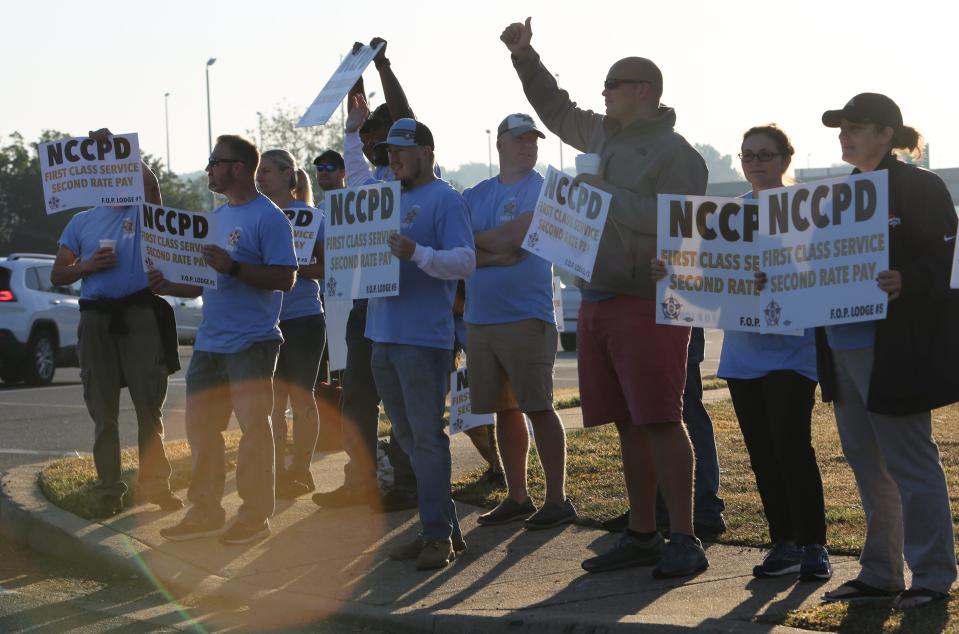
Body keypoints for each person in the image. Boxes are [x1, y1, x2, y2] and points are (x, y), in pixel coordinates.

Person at [501, 17, 709, 578]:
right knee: (625, 421)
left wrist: (606, 193)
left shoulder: (676, 152)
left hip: (648, 299)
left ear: (642, 90)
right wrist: (526, 57)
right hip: (596, 295)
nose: (603, 94)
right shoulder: (601, 134)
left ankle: (685, 536)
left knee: (661, 419)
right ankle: (642, 531)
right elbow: (556, 108)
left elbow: (681, 223)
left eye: (612, 86)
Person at [654, 125, 830, 581]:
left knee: (793, 446)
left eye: (766, 154)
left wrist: (776, 278)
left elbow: (826, 277)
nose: (756, 162)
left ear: (785, 159)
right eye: (748, 155)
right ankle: (783, 542)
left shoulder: (808, 212)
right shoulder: (727, 217)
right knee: (761, 451)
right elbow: (708, 285)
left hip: (794, 350)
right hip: (744, 354)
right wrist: (671, 271)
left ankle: (814, 545)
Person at [812, 94, 959, 609]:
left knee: (911, 462)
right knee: (866, 463)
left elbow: (947, 257)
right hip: (840, 344)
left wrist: (908, 280)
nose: (844, 136)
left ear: (886, 133)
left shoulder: (920, 186)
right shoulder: (837, 197)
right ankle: (880, 572)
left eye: (856, 127)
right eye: (841, 129)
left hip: (895, 349)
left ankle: (934, 576)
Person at [154, 134, 297, 545]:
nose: (209, 169)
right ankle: (205, 510)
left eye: (215, 161)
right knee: (201, 428)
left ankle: (255, 516)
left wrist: (235, 267)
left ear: (238, 168)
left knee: (254, 430)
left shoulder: (268, 218)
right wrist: (169, 284)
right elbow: (203, 281)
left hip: (252, 342)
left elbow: (285, 277)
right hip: (211, 342)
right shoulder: (215, 219)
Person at [313, 38, 421, 511]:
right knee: (357, 399)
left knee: (402, 404)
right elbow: (353, 141)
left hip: (404, 306)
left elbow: (408, 117)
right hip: (363, 304)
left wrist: (383, 67)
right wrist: (352, 77)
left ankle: (406, 482)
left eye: (386, 137)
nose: (377, 143)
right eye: (371, 138)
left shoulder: (409, 180)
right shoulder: (363, 182)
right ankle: (360, 479)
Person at [50, 129, 181, 518]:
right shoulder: (80, 222)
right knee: (103, 412)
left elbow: (152, 186)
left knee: (149, 408)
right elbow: (59, 274)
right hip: (96, 318)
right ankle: (109, 490)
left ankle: (156, 485)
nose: (116, 177)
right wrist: (87, 265)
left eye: (120, 171)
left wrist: (122, 150)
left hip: (140, 314)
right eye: (108, 171)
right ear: (96, 180)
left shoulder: (141, 213)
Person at [369, 118, 475, 570]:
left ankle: (436, 536)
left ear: (428, 153)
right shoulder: (383, 197)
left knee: (426, 440)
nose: (393, 158)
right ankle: (443, 527)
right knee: (409, 441)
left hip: (422, 339)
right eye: (388, 152)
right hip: (382, 334)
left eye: (402, 151)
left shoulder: (445, 199)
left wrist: (417, 253)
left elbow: (466, 260)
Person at [463, 113, 574, 529]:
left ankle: (557, 498)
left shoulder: (542, 190)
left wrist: (481, 246)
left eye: (533, 139)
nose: (529, 146)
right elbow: (466, 243)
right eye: (520, 139)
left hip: (527, 316)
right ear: (501, 145)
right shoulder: (475, 193)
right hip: (480, 318)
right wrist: (493, 251)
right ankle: (517, 496)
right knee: (503, 411)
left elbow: (519, 236)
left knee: (539, 407)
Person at [600, 327, 728, 540]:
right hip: (641, 319)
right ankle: (653, 510)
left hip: (673, 318)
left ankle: (704, 509)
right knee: (646, 412)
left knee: (683, 413)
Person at [256, 149, 326, 499]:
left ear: (288, 175)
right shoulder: (257, 216)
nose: (260, 177)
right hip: (266, 320)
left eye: (266, 170)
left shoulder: (312, 216)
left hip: (304, 319)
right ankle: (280, 470)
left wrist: (290, 269)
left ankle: (301, 468)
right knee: (273, 402)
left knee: (302, 397)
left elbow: (327, 268)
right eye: (258, 171)